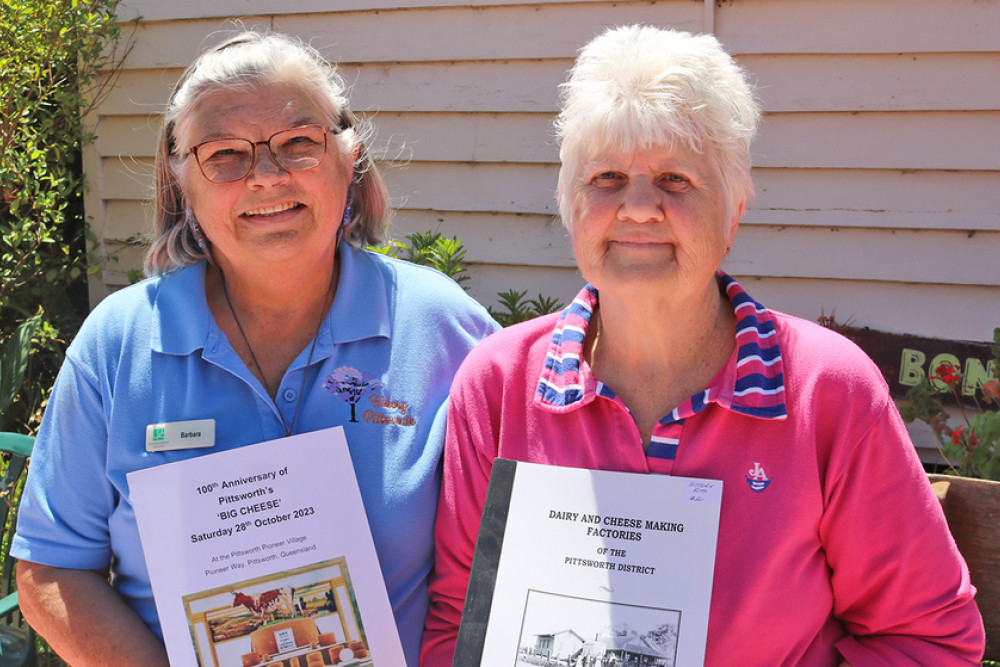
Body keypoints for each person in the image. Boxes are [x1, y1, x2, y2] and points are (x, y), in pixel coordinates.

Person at [421, 25, 984, 666]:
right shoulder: (497, 384)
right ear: (569, 207)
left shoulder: (828, 391)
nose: (638, 208)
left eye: (675, 180)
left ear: (734, 211)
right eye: (605, 177)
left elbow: (929, 639)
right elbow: (459, 625)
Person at [11, 31, 498, 666]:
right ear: (182, 182)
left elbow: (508, 563)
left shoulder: (449, 332)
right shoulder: (118, 343)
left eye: (299, 143)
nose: (266, 177)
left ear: (350, 159)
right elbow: (50, 571)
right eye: (225, 154)